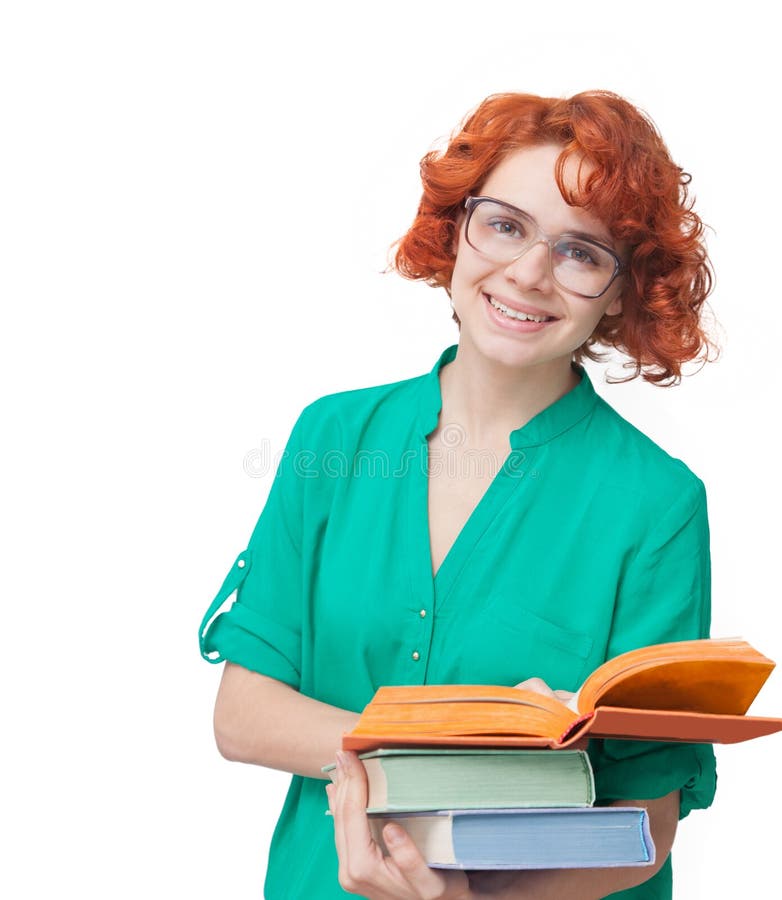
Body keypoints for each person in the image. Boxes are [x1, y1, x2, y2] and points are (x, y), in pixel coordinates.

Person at [198, 90, 717, 899]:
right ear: (459, 227)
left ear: (621, 290)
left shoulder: (656, 504)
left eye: (580, 252)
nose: (528, 274)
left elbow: (643, 821)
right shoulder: (334, 440)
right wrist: (463, 751)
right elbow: (243, 713)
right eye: (506, 225)